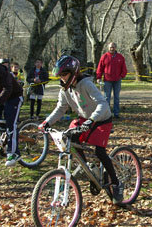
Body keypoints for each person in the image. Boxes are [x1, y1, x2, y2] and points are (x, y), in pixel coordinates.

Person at [38, 54, 124, 204]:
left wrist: (92, 120)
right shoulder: (64, 89)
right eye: (61, 75)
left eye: (64, 74)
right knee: (70, 141)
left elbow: (103, 104)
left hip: (101, 119)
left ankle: (116, 184)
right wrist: (47, 122)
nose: (62, 78)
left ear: (74, 72)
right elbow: (60, 108)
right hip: (84, 119)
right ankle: (90, 171)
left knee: (99, 151)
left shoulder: (86, 84)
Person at [96, 42, 127, 119]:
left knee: (116, 97)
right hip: (107, 80)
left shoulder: (120, 57)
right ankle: (107, 114)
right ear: (108, 48)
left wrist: (122, 76)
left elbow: (124, 68)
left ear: (115, 48)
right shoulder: (104, 57)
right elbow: (100, 68)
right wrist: (98, 77)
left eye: (113, 47)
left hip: (117, 80)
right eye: (110, 47)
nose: (112, 48)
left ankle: (116, 114)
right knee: (107, 98)